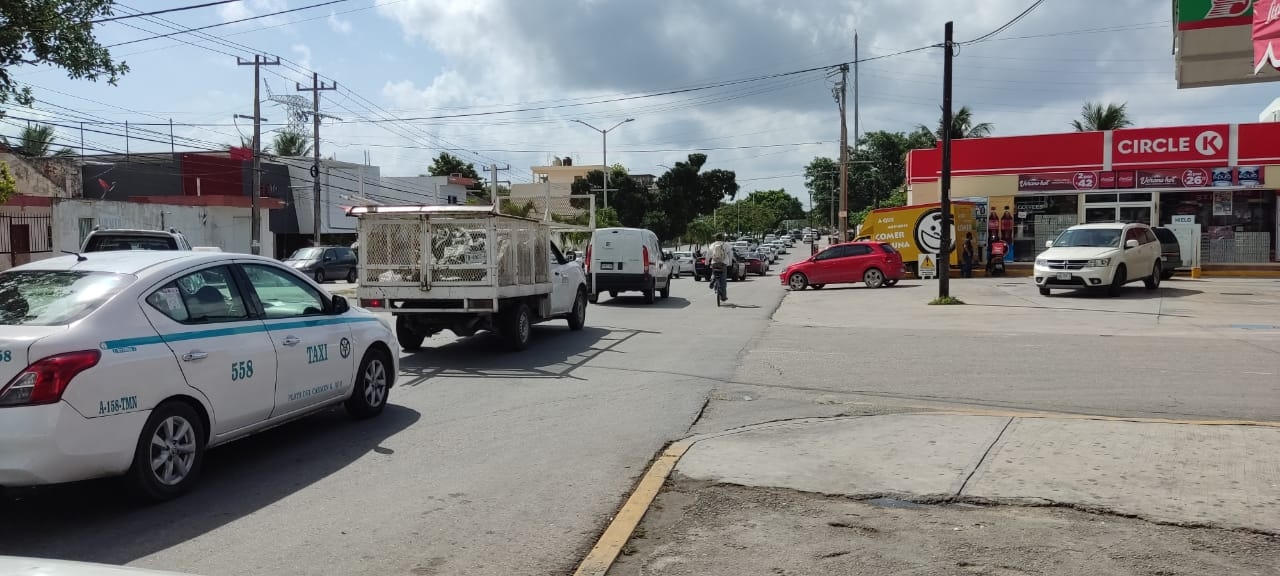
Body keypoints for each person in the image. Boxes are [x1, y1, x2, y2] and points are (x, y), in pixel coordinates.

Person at [707, 233, 730, 302]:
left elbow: (708, 254)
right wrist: (729, 262)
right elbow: (729, 253)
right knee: (723, 280)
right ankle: (723, 296)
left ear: (715, 238)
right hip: (723, 264)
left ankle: (712, 280)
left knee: (714, 273)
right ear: (722, 238)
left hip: (714, 263)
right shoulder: (725, 245)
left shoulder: (712, 245)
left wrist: (707, 262)